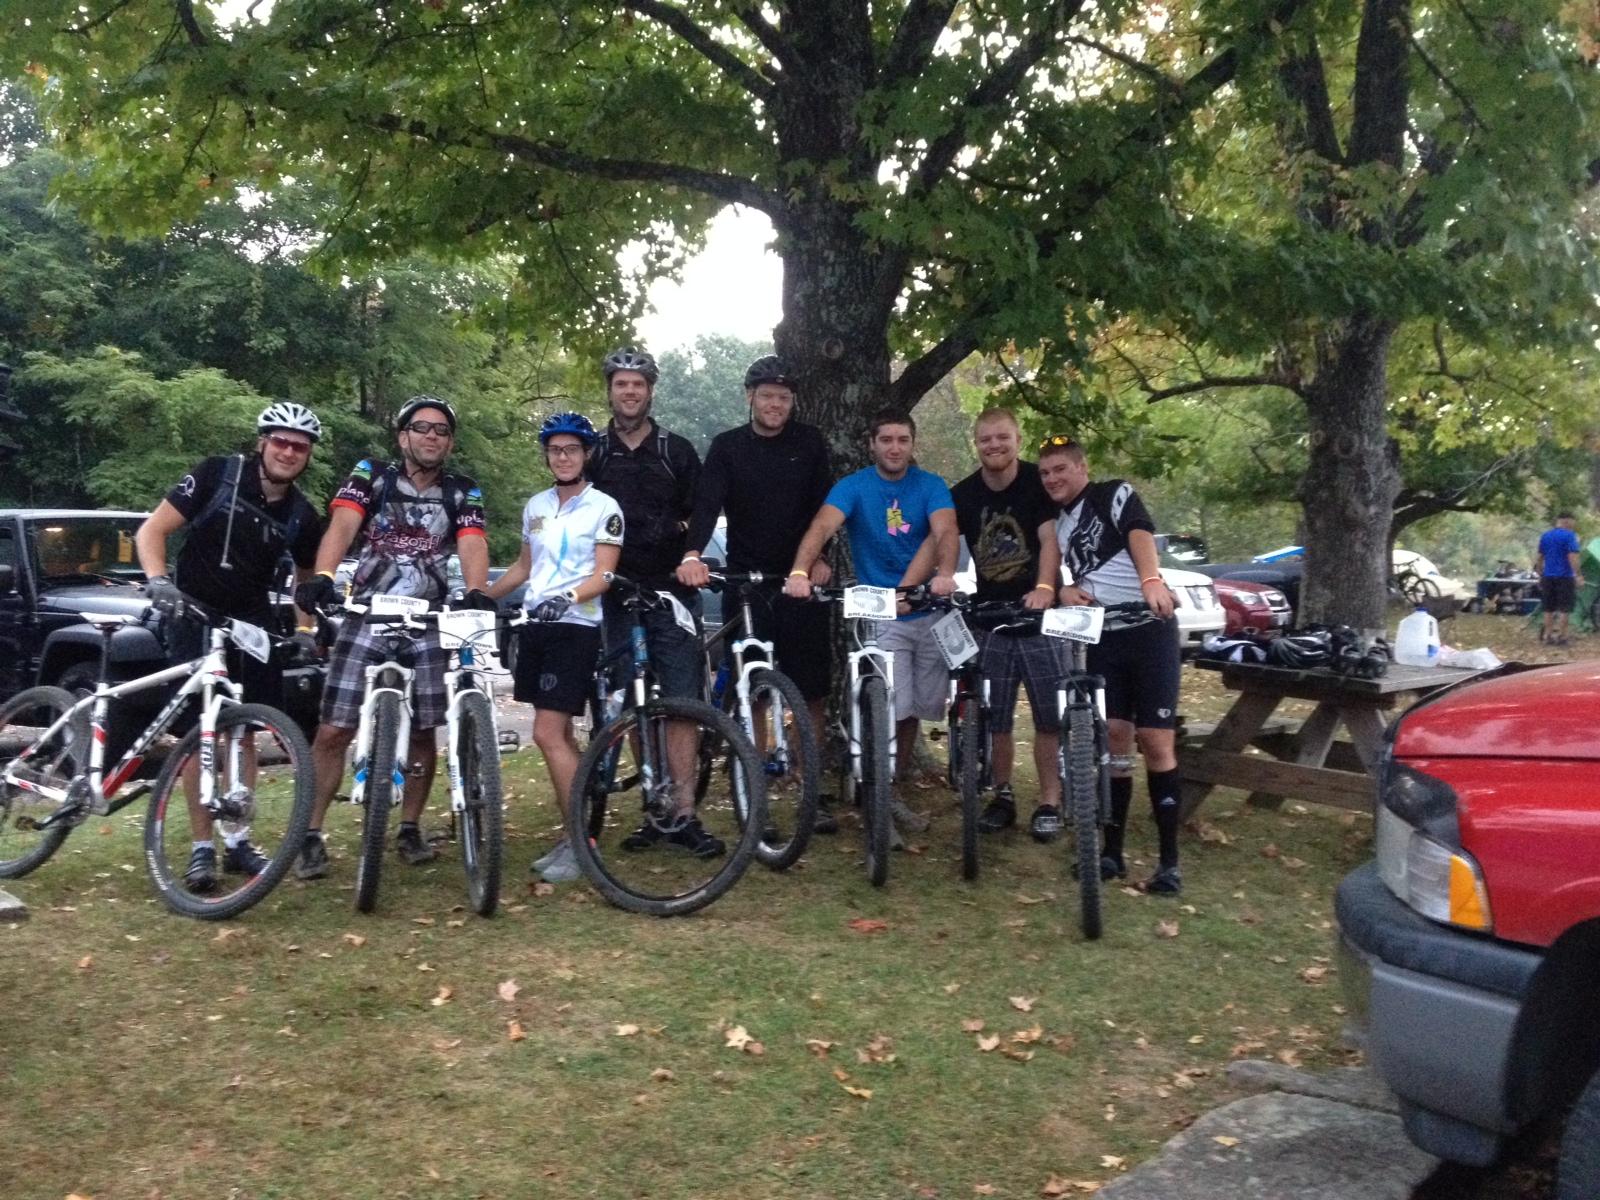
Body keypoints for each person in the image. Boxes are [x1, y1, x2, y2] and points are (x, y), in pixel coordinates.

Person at [291, 396, 494, 880]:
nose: (431, 436)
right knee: (334, 729)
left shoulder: (462, 490)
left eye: (441, 431)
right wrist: (324, 575)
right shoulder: (372, 475)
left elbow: (472, 542)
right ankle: (310, 834)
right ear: (403, 436)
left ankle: (409, 827)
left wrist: (477, 591)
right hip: (368, 611)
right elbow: (343, 525)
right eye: (421, 428)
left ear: (449, 443)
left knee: (423, 730)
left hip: (428, 617)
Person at [135, 402, 325, 893]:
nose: (288, 452)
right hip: (192, 613)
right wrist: (158, 581)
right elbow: (152, 530)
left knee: (244, 733)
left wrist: (305, 631)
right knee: (199, 735)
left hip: (250, 626)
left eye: (299, 447)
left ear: (307, 456)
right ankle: (202, 847)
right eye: (280, 441)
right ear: (263, 442)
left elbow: (306, 582)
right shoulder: (217, 474)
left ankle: (237, 839)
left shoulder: (303, 515)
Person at [676, 354, 839, 832]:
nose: (775, 404)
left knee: (810, 692)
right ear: (750, 397)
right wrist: (692, 553)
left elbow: (824, 508)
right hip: (747, 581)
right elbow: (707, 505)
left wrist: (820, 558)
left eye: (783, 397)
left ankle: (811, 788)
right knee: (754, 691)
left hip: (799, 579)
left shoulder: (809, 442)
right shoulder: (727, 446)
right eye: (767, 395)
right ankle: (754, 793)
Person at [784, 406, 958, 840]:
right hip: (882, 611)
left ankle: (891, 790)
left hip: (929, 609)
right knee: (891, 705)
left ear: (912, 444)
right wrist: (800, 571)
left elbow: (945, 531)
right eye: (886, 440)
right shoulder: (854, 486)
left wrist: (944, 575)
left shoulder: (931, 485)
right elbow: (821, 527)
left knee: (917, 710)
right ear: (872, 445)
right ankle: (880, 794)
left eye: (902, 440)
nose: (894, 448)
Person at [588, 346, 721, 857]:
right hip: (617, 591)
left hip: (671, 589)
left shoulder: (676, 450)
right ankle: (654, 807)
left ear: (650, 391)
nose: (630, 392)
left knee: (682, 701)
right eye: (621, 383)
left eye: (638, 384)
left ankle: (684, 812)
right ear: (610, 390)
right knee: (633, 700)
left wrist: (691, 552)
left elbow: (702, 510)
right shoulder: (594, 452)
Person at [1037, 435, 1182, 894]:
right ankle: (1112, 852)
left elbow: (1139, 532)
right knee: (1115, 737)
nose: (1052, 479)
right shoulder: (1056, 521)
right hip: (1102, 635)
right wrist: (1062, 590)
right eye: (1045, 473)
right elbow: (1057, 569)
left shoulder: (1113, 494)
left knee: (1155, 740)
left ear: (1082, 467)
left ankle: (1169, 862)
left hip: (1148, 628)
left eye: (1061, 469)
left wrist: (1151, 579)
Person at [486, 412, 621, 883]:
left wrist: (568, 597)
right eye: (555, 450)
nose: (563, 457)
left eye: (572, 450)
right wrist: (483, 595)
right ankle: (573, 835)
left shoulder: (604, 506)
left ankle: (581, 845)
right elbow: (524, 568)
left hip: (575, 626)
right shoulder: (536, 506)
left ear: (587, 454)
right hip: (536, 626)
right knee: (559, 735)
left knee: (546, 734)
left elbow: (605, 574)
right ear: (547, 455)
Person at [947, 409, 1065, 837]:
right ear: (976, 444)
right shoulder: (963, 494)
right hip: (990, 620)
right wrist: (934, 579)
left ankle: (1050, 800)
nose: (994, 445)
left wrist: (1045, 588)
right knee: (996, 718)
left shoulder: (1037, 481)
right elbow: (941, 539)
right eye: (986, 439)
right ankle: (1003, 795)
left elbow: (1050, 540)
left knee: (1049, 718)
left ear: (1018, 439)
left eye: (1002, 437)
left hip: (1039, 619)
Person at [1535, 513, 1585, 646]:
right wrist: (1578, 575)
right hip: (1565, 577)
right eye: (1573, 522)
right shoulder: (1570, 536)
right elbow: (1572, 557)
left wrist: (1540, 575)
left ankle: (1547, 636)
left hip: (1548, 576)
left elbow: (1539, 558)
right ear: (1567, 521)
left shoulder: (1546, 536)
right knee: (1565, 608)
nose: (1574, 525)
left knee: (1548, 608)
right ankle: (1562, 637)